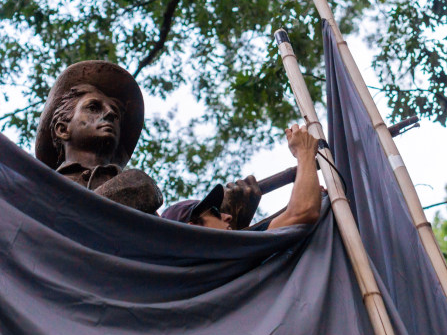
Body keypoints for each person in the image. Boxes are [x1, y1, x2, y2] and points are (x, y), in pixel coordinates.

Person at [35, 60, 164, 214]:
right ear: (62, 129)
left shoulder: (141, 190)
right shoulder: (42, 186)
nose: (110, 114)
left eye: (115, 114)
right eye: (93, 107)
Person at [162, 123, 322, 230]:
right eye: (216, 213)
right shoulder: (230, 255)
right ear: (194, 228)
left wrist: (312, 193)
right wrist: (304, 152)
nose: (228, 216)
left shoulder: (238, 251)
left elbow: (298, 213)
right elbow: (304, 212)